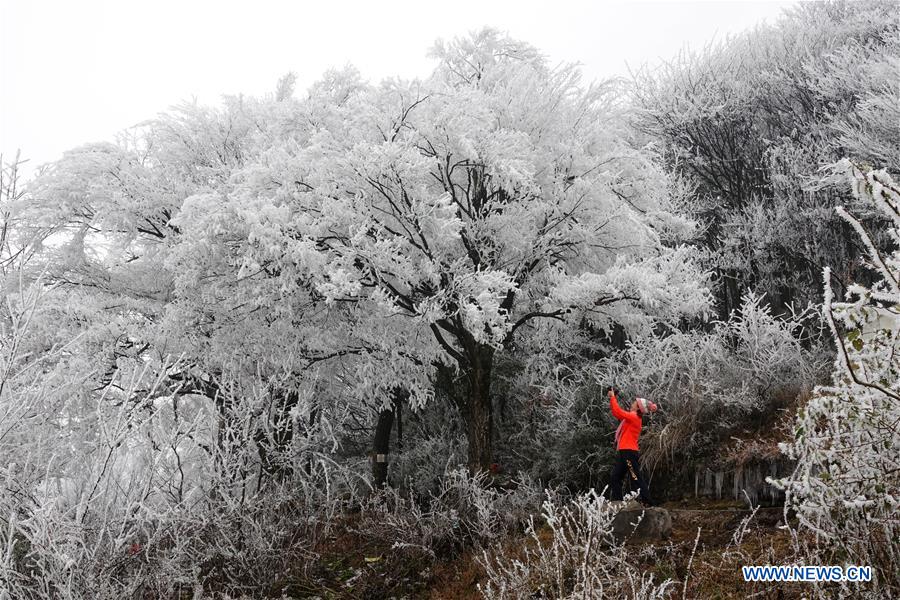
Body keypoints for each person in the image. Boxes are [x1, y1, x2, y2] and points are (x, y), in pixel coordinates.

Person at [607, 387, 658, 505]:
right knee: (615, 477)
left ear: (638, 407)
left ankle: (649, 502)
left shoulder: (634, 417)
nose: (632, 403)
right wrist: (612, 398)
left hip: (629, 452)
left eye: (634, 403)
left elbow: (618, 412)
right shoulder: (632, 417)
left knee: (635, 478)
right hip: (624, 452)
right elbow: (616, 412)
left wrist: (613, 397)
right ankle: (617, 502)